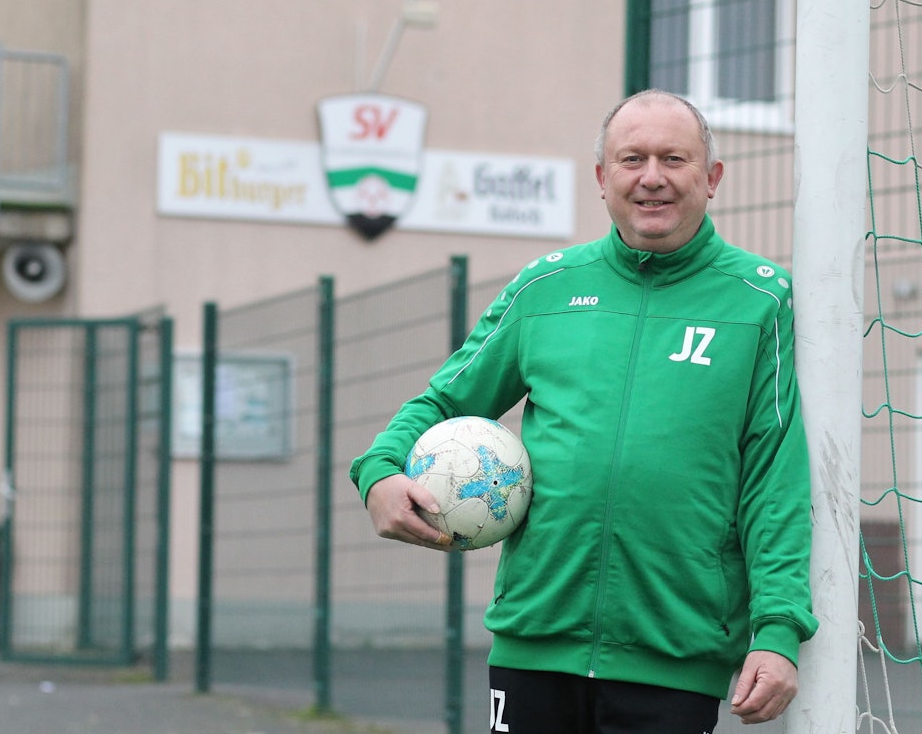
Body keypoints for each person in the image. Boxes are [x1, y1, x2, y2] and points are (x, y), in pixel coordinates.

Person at [350, 90, 818, 732]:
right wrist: (378, 472)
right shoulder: (546, 287)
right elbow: (445, 400)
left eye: (674, 159)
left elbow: (774, 480)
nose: (651, 177)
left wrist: (777, 629)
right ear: (602, 178)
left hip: (674, 655)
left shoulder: (757, 300)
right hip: (534, 641)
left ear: (711, 178)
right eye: (632, 159)